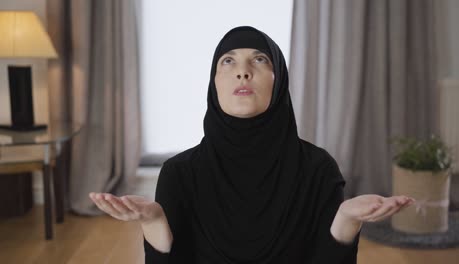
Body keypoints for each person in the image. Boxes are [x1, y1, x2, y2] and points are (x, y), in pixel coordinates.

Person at [89, 26, 414, 263]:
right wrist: (154, 222)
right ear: (214, 84)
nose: (242, 72)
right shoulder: (179, 173)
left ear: (280, 80)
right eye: (227, 62)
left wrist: (346, 220)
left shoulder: (318, 169)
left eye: (259, 60)